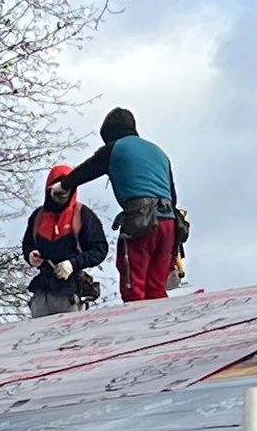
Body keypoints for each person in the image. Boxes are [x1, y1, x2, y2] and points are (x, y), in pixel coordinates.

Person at [65, 106, 182, 302]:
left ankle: (138, 329)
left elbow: (88, 170)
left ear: (109, 134)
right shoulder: (159, 153)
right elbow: (173, 195)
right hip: (169, 223)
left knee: (133, 285)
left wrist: (64, 184)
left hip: (140, 222)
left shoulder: (115, 148)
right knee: (156, 288)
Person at [21, 164, 108, 316]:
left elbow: (99, 249)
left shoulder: (83, 215)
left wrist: (72, 264)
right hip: (42, 293)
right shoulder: (38, 217)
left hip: (70, 293)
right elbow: (27, 244)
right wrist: (31, 255)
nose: (61, 196)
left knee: (70, 337)